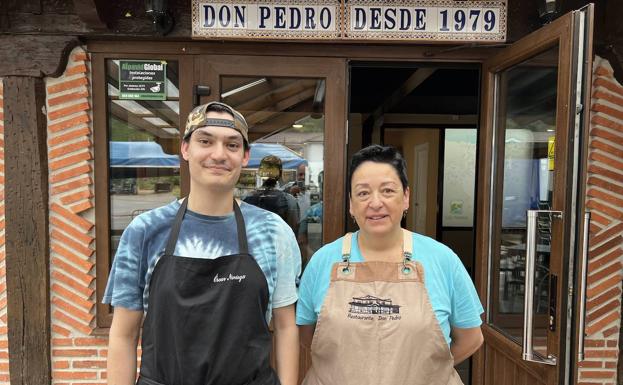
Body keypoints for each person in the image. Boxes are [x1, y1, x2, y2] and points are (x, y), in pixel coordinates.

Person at [104, 101, 301, 385]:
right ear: (186, 149)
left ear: (245, 156)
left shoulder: (273, 232)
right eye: (205, 141)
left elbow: (285, 327)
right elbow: (123, 334)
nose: (218, 154)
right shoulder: (145, 231)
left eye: (232, 145)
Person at [296, 145, 484, 385]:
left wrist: (425, 373)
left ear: (406, 197)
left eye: (387, 191)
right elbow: (306, 336)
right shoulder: (322, 261)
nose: (376, 203)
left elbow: (471, 338)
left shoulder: (442, 259)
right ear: (351, 204)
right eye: (363, 193)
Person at [244, 155, 300, 231]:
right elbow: (293, 230)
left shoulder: (248, 199)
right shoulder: (289, 201)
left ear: (260, 173)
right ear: (280, 173)